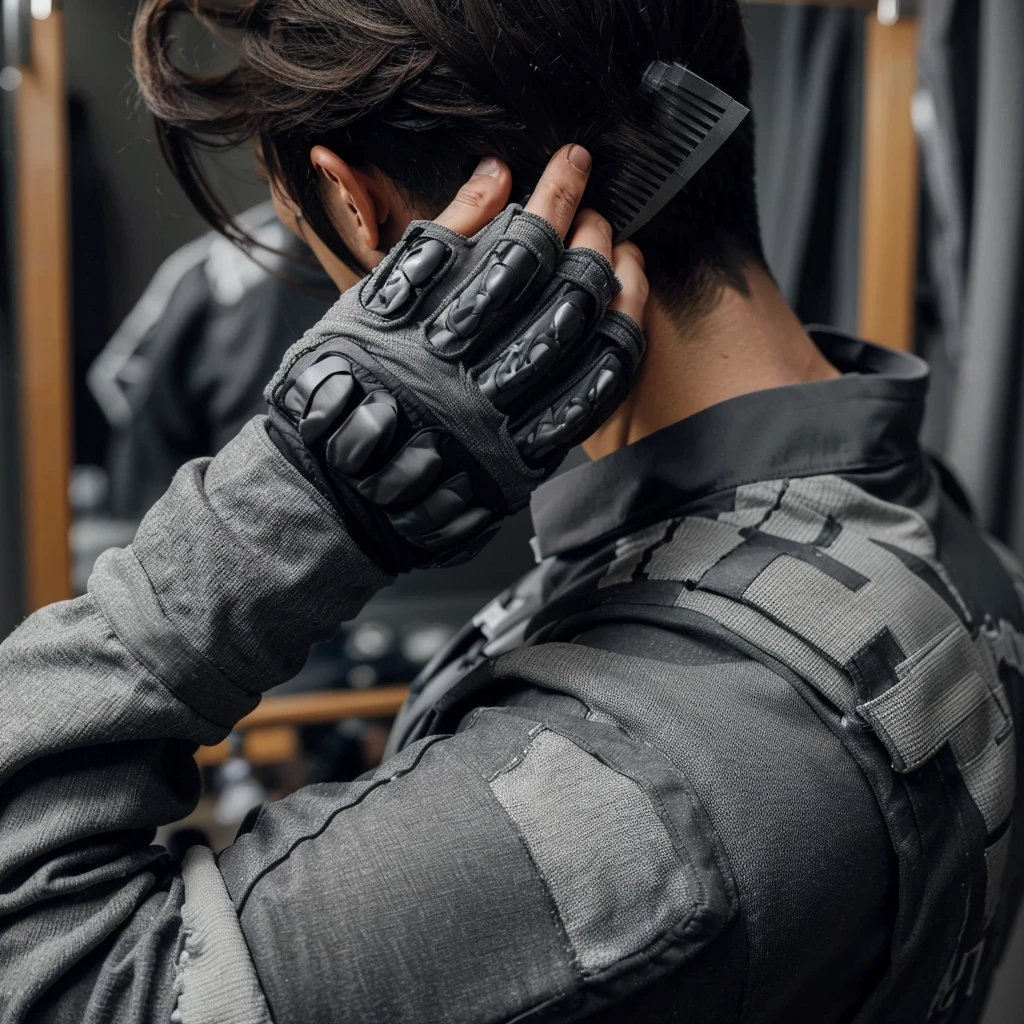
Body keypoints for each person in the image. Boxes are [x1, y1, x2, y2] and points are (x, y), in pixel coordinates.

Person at [1, 4, 1021, 1024]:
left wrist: (295, 493)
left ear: (359, 212)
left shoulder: (638, 789)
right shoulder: (926, 516)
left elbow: (45, 968)